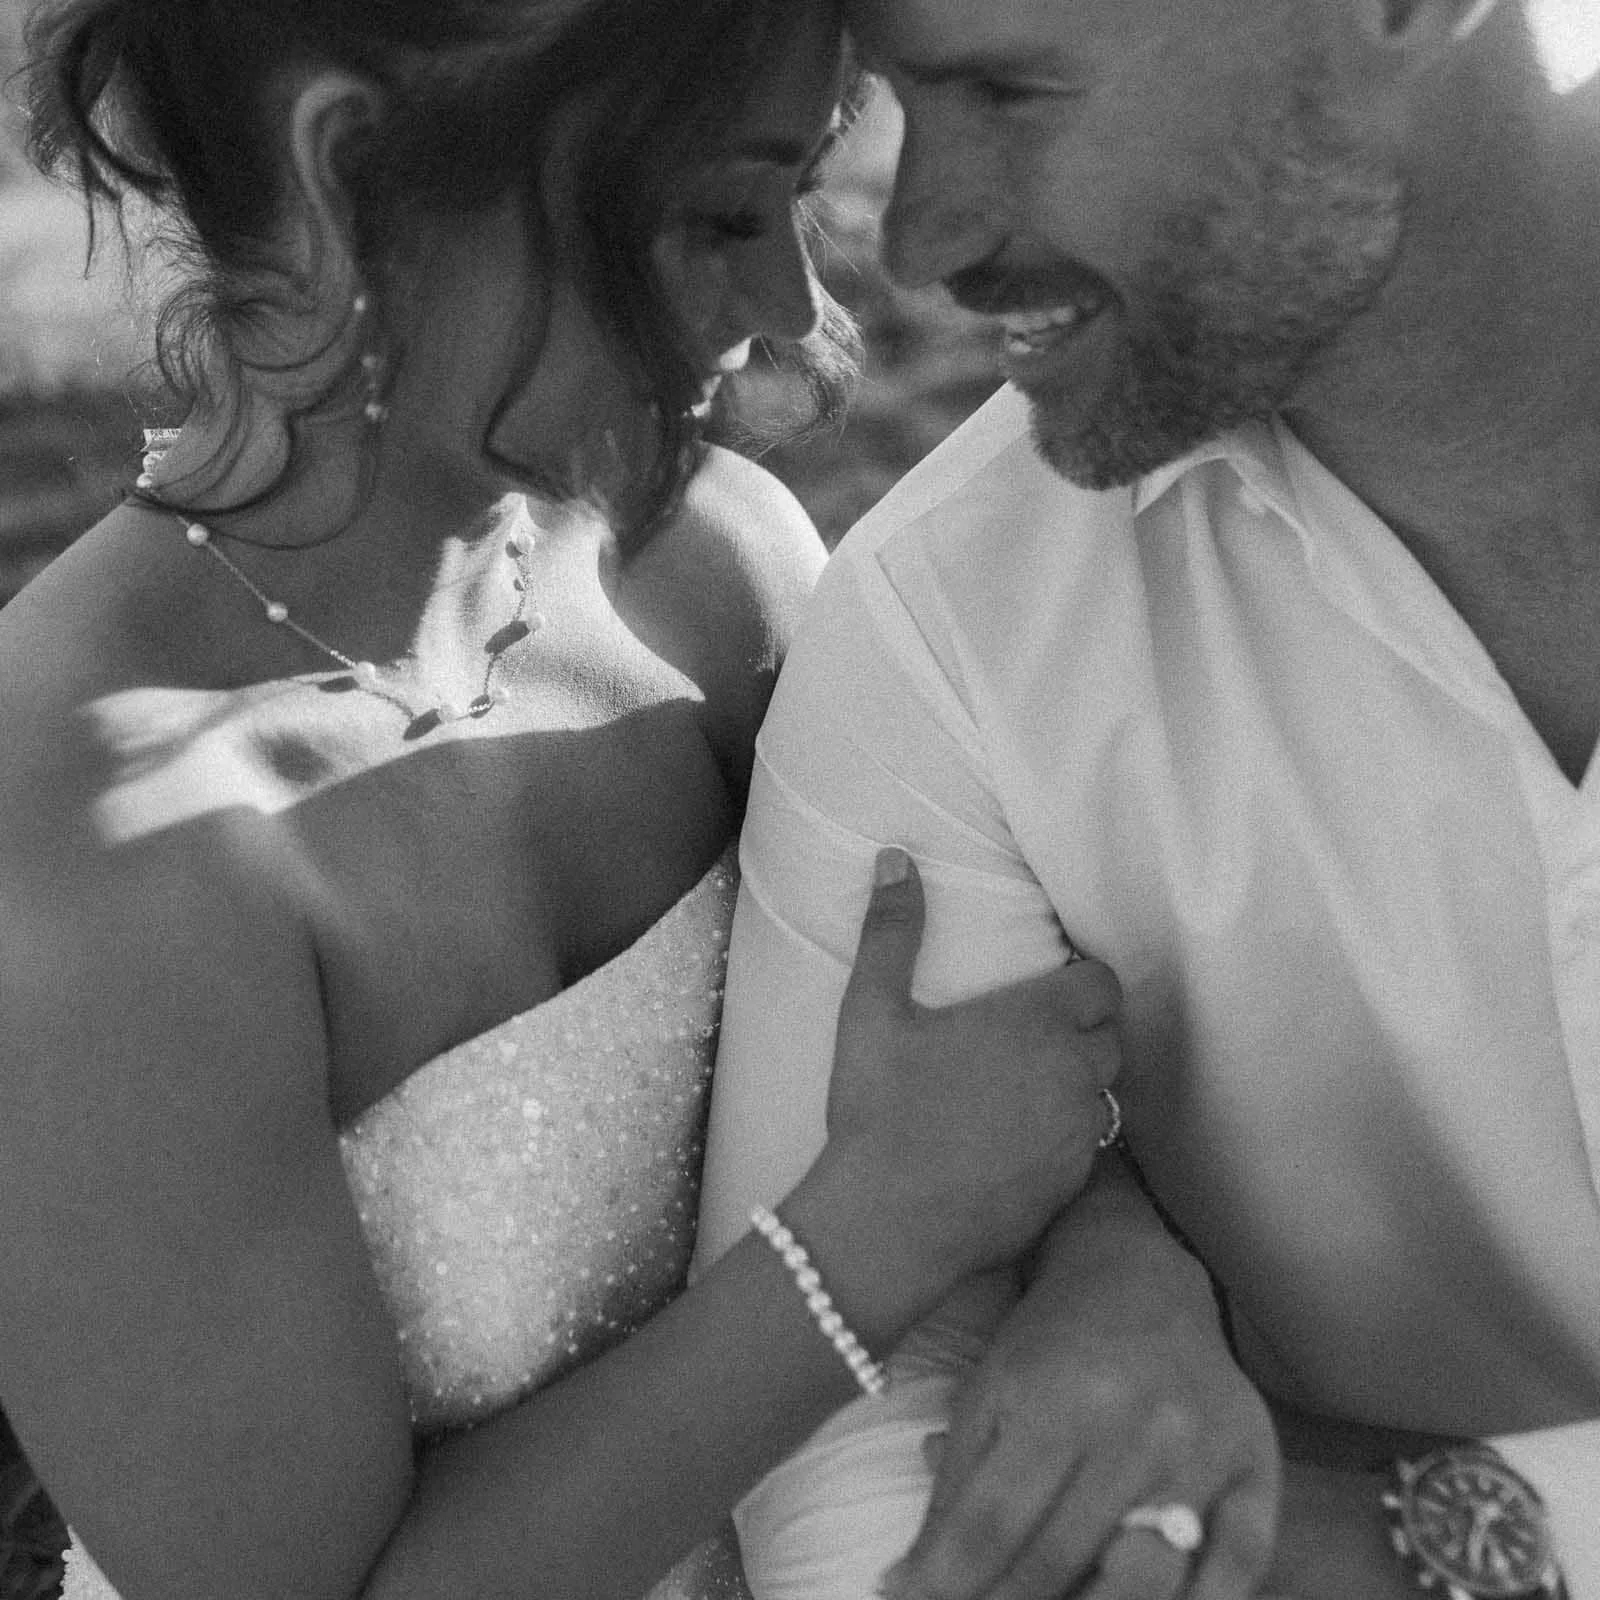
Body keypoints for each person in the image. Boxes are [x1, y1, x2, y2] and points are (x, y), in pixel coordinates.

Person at [0, 0, 1283, 1596]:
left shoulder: (711, 572)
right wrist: (861, 1250)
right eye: (717, 213)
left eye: (802, 198)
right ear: (340, 172)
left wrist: (1121, 1273)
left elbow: (986, 1082)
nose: (795, 305)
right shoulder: (82, 865)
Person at [698, 0, 1600, 1595]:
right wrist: (1100, 1245)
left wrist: (1401, 1549)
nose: (924, 240)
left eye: (1013, 90)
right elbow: (848, 1427)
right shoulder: (949, 627)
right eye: (905, 101)